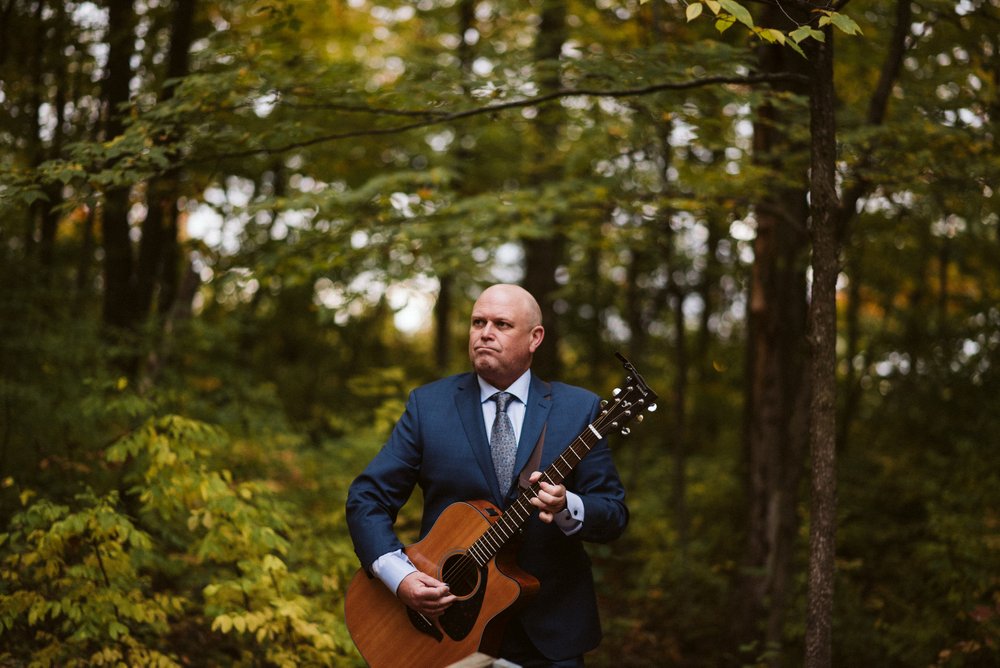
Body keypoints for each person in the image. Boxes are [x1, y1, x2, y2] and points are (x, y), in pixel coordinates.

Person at [346, 283, 629, 667]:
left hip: (549, 636)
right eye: (478, 322)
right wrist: (400, 578)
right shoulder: (429, 406)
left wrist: (567, 506)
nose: (485, 332)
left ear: (535, 338)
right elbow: (368, 499)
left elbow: (612, 514)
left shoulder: (579, 409)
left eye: (501, 324)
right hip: (444, 632)